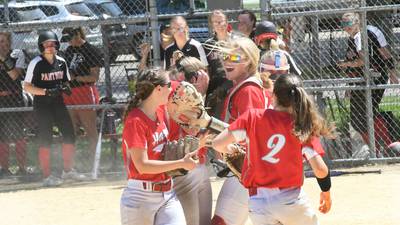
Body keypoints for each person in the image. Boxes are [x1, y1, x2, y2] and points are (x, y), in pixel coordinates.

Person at [211, 73, 333, 225]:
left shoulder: (253, 117)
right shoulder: (301, 125)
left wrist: (232, 149)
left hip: (258, 202)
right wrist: (326, 192)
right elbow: (320, 169)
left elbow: (217, 144)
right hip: (290, 200)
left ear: (273, 95)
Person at [120, 68, 198, 225]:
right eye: (169, 85)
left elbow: (167, 148)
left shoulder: (161, 112)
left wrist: (198, 136)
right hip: (140, 197)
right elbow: (142, 165)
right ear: (158, 89)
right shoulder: (135, 121)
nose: (171, 89)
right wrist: (181, 163)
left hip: (167, 194)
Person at [211, 37, 272, 225]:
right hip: (248, 168)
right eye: (224, 56)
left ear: (249, 62)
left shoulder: (248, 91)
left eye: (235, 58)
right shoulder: (244, 86)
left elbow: (250, 131)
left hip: (247, 168)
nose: (227, 61)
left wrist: (215, 135)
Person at [24, 31, 85, 187]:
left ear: (57, 45)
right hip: (42, 104)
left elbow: (66, 81)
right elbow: (27, 86)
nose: (50, 47)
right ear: (41, 46)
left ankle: (68, 169)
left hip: (58, 103)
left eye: (53, 44)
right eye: (46, 44)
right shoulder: (36, 63)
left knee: (69, 134)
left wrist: (65, 87)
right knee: (46, 138)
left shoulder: (61, 62)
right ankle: (46, 176)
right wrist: (45, 91)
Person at [337, 12, 396, 156]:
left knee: (363, 116)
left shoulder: (368, 33)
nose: (345, 28)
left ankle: (387, 146)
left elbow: (367, 59)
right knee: (358, 119)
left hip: (375, 77)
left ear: (357, 22)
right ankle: (376, 149)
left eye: (348, 24)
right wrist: (349, 83)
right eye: (343, 25)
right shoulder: (353, 38)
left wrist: (393, 72)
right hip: (360, 80)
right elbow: (355, 62)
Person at [168, 53, 212, 225]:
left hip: (198, 166)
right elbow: (195, 132)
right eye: (200, 74)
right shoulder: (180, 100)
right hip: (184, 170)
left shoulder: (191, 97)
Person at [60, 27, 102, 166]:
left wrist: (76, 78)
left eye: (70, 39)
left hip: (84, 91)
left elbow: (94, 77)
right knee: (70, 130)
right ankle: (71, 165)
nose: (69, 43)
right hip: (69, 92)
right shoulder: (69, 50)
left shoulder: (91, 50)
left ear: (77, 34)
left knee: (90, 129)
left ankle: (94, 164)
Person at [0, 32, 28, 177]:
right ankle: (4, 169)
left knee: (18, 134)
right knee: (2, 136)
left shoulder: (17, 54)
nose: (1, 45)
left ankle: (22, 168)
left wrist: (4, 58)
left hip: (14, 98)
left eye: (3, 41)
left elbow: (15, 75)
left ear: (9, 42)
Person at [203, 10, 234, 118]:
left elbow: (241, 59)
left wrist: (227, 56)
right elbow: (206, 68)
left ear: (226, 22)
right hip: (216, 86)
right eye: (215, 22)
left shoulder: (236, 41)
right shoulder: (208, 45)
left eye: (221, 21)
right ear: (211, 25)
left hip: (233, 82)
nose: (219, 25)